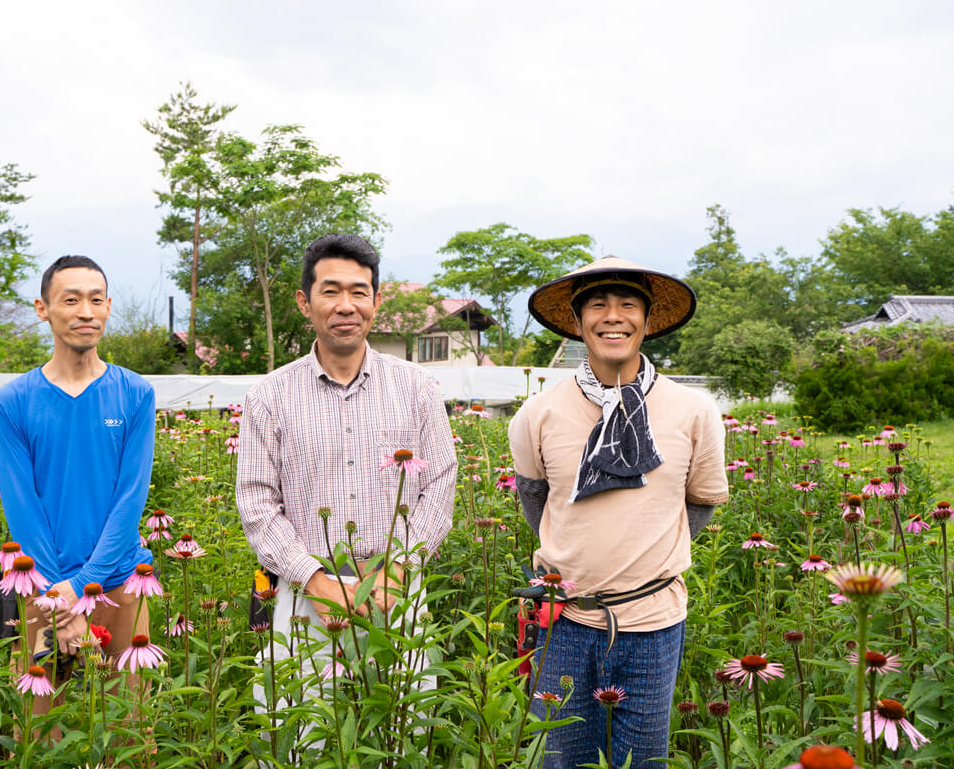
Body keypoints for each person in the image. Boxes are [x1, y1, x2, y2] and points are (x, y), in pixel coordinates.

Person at [509, 255, 728, 769]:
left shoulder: (693, 410)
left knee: (643, 759)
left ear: (647, 322)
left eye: (628, 304)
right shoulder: (537, 413)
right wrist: (582, 555)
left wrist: (648, 549)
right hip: (564, 620)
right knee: (561, 756)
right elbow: (535, 499)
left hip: (654, 620)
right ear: (579, 321)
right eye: (599, 305)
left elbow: (699, 502)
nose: (614, 316)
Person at [235, 232, 457, 711]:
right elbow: (256, 501)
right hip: (306, 597)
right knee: (302, 735)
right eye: (330, 291)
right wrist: (315, 580)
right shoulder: (269, 396)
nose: (346, 305)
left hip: (396, 590)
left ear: (376, 300)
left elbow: (439, 486)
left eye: (359, 292)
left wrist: (397, 570)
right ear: (304, 301)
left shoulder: (416, 388)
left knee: (401, 732)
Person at [0, 254, 155, 712]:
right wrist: (60, 599)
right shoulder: (13, 402)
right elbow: (23, 511)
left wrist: (84, 584)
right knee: (41, 731)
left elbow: (129, 501)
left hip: (121, 581)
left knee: (129, 729)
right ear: (43, 309)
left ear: (107, 308)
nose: (86, 311)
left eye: (96, 300)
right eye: (71, 300)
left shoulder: (136, 394)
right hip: (43, 586)